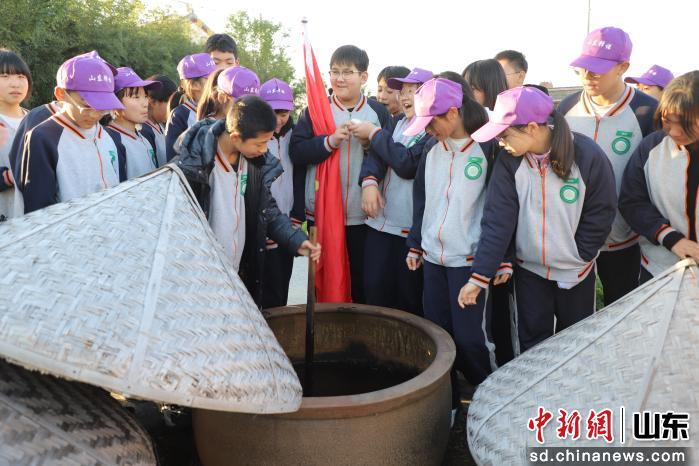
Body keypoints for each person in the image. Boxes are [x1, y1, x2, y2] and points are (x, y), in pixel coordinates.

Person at [458, 86, 617, 354]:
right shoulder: (509, 162)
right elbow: (497, 220)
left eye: (504, 135)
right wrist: (480, 276)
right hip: (529, 271)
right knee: (532, 345)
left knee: (577, 344)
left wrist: (580, 253)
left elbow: (601, 211)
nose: (500, 143)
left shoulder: (586, 155)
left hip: (575, 271)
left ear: (532, 128)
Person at [404, 77, 500, 421]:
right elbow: (422, 202)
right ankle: (449, 402)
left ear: (454, 113)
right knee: (439, 334)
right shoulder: (431, 151)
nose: (428, 131)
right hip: (433, 258)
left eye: (432, 123)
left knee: (471, 338)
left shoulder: (488, 149)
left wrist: (499, 260)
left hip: (469, 262)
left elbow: (500, 211)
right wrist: (416, 244)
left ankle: (489, 396)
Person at [174, 95, 321, 307]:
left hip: (239, 273)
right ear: (235, 137)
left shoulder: (253, 163)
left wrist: (295, 240)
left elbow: (267, 211)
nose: (264, 150)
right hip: (203, 278)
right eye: (260, 143)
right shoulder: (193, 167)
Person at [559, 26, 658, 306]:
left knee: (623, 308)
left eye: (597, 69)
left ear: (623, 67)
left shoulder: (647, 112)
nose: (588, 76)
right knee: (573, 318)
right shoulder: (566, 109)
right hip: (572, 237)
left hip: (625, 237)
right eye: (583, 69)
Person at [289, 44, 390, 304]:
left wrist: (369, 143)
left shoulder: (377, 112)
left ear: (363, 76)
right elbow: (297, 152)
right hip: (321, 212)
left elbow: (388, 155)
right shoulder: (315, 110)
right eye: (334, 72)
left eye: (347, 72)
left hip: (363, 214)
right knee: (322, 280)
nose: (339, 78)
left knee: (360, 282)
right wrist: (329, 141)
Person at [349, 67, 433, 315]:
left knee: (408, 300)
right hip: (379, 224)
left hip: (408, 231)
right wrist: (369, 181)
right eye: (403, 91)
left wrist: (374, 133)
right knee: (374, 291)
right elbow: (377, 155)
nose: (405, 97)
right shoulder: (397, 122)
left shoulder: (431, 131)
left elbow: (407, 164)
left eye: (412, 91)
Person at [17, 52, 124, 213]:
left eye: (102, 107)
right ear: (61, 94)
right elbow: (38, 208)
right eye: (86, 106)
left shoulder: (107, 135)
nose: (95, 114)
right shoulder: (43, 138)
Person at [619, 71, 699, 281]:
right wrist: (669, 237)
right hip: (661, 268)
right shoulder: (651, 147)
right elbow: (632, 200)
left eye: (685, 123)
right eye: (667, 121)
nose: (674, 132)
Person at [259, 78, 298, 308]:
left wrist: (297, 214)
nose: (278, 119)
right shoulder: (255, 137)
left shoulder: (294, 135)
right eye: (272, 112)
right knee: (267, 285)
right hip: (265, 221)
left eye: (283, 113)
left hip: (288, 219)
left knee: (283, 279)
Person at [105, 67, 161, 179]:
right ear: (115, 101)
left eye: (145, 96)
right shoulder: (110, 141)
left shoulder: (143, 138)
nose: (145, 103)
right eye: (136, 97)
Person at [165, 53, 216, 160]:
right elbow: (174, 158)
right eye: (212, 79)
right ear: (194, 85)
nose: (217, 84)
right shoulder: (179, 115)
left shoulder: (220, 109)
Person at [0, 49, 30, 220]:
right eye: (4, 76)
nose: (15, 84)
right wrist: (8, 177)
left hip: (40, 221)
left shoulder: (39, 121)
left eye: (21, 76)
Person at [144, 74, 177, 167]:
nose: (172, 109)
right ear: (152, 102)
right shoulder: (145, 132)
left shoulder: (160, 126)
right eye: (169, 103)